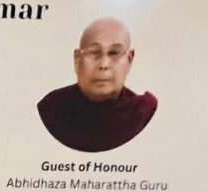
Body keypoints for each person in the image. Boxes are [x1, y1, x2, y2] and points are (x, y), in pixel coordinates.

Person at [37, 17, 157, 152]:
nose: (104, 64)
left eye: (114, 53)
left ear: (129, 60)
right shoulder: (51, 108)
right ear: (77, 59)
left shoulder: (143, 112)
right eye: (94, 52)